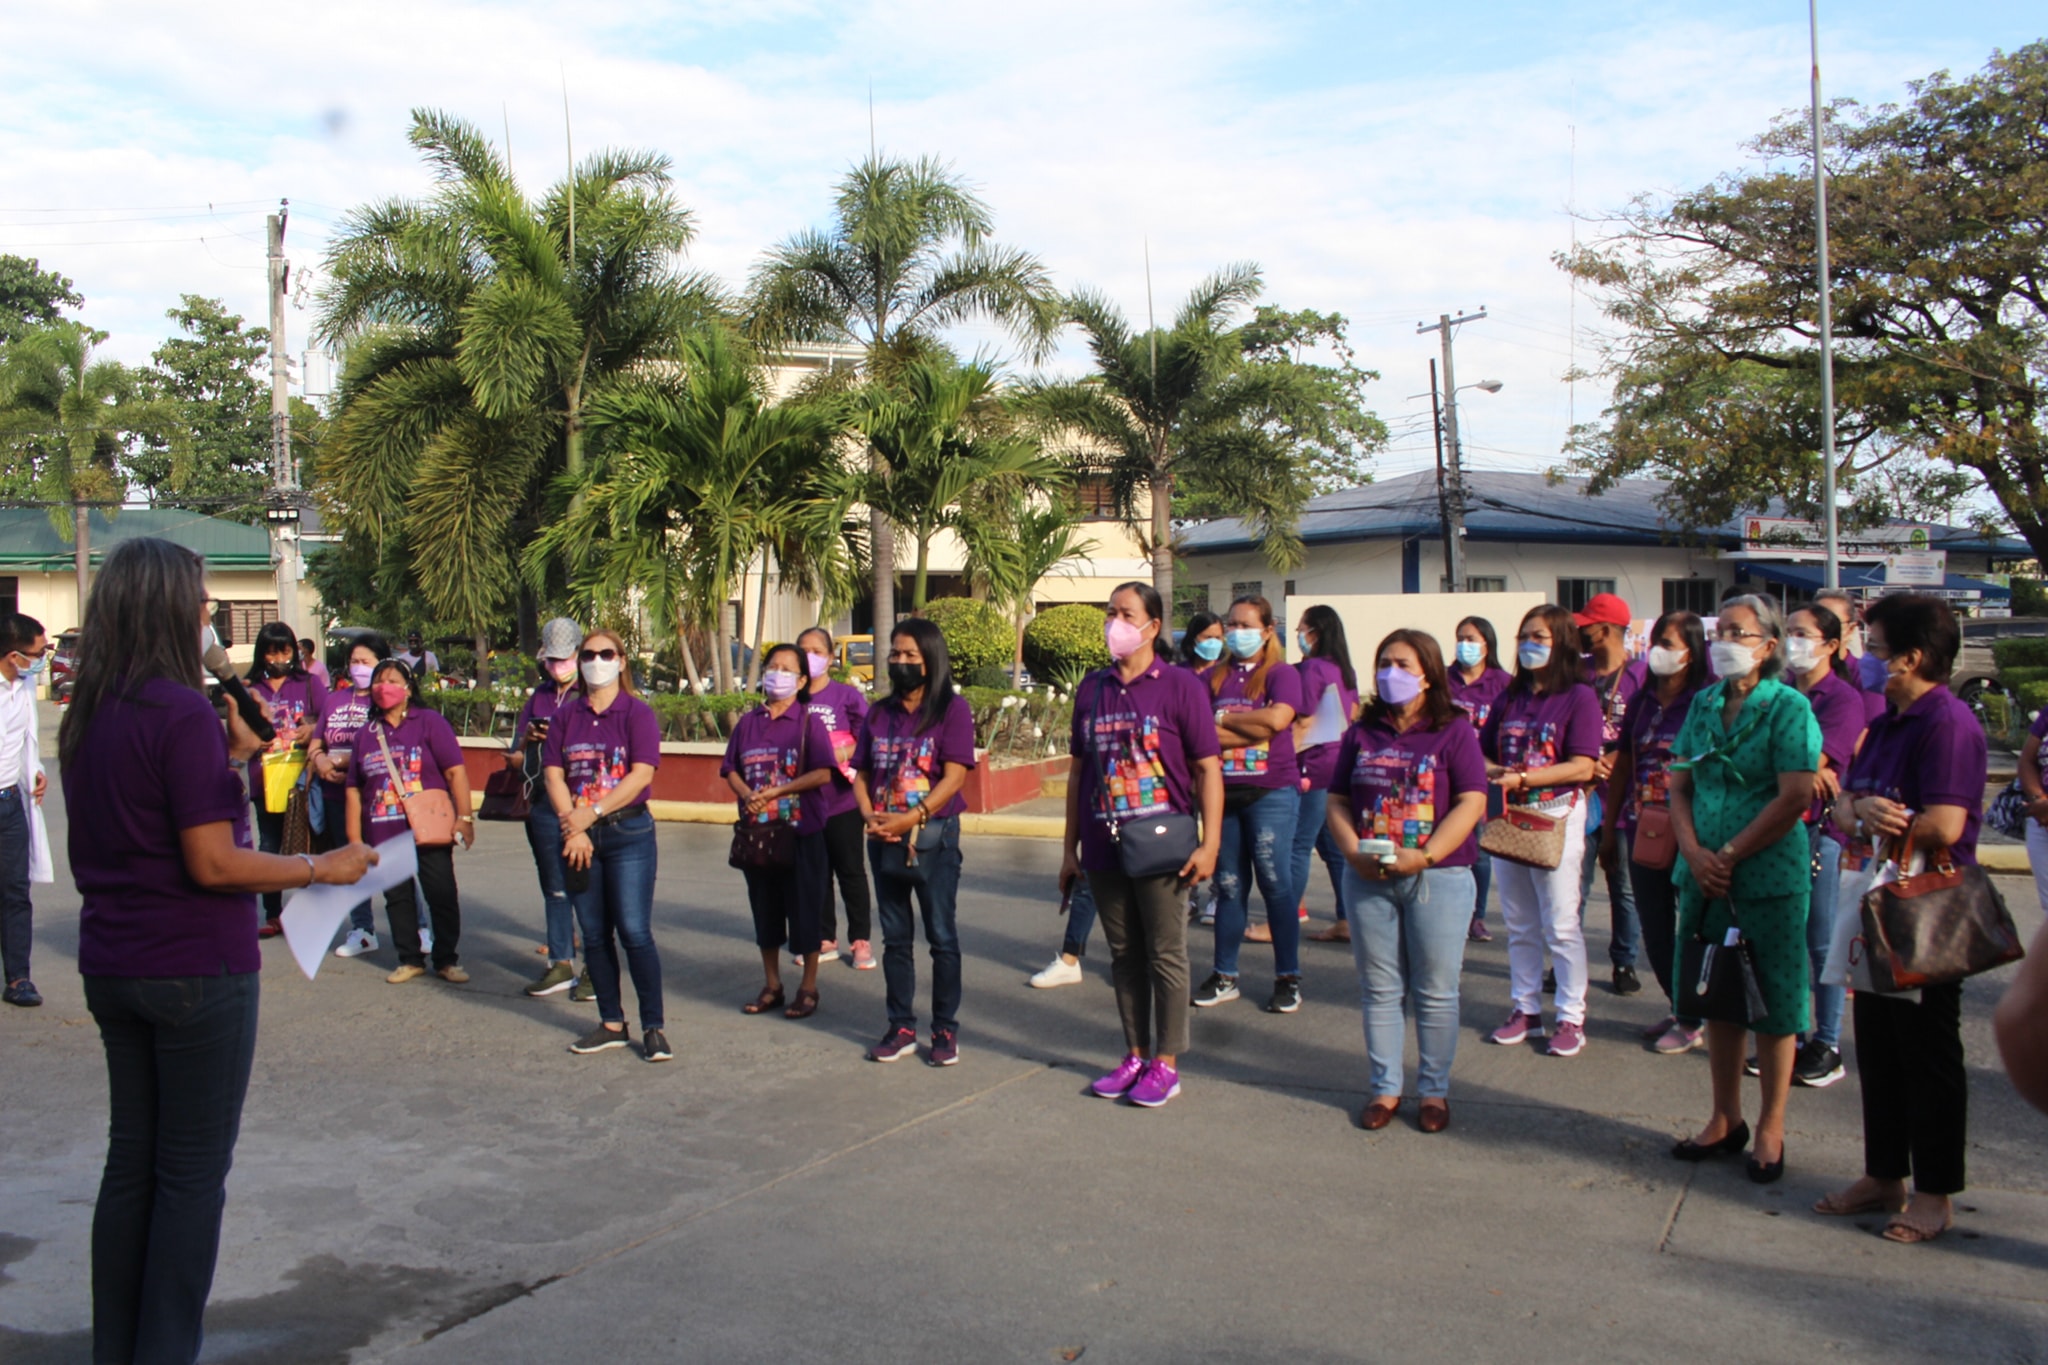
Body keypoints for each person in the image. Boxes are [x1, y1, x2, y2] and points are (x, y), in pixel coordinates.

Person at [60, 537, 375, 1365]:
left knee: (132, 1164)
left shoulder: (92, 711)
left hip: (114, 960)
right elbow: (212, 861)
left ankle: (118, 1347)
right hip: (196, 965)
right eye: (202, 600)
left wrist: (234, 759)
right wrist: (320, 865)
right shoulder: (180, 712)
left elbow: (149, 824)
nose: (210, 615)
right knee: (190, 1177)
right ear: (171, 607)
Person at [1817, 593, 1986, 1243]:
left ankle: (1934, 1191)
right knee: (1880, 1047)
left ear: (1912, 657)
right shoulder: (1887, 721)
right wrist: (1859, 811)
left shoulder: (1946, 723)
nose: (1865, 657)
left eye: (1876, 647)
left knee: (1928, 1054)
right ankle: (1883, 1172)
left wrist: (1890, 817)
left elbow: (1944, 822)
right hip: (1875, 892)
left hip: (1928, 906)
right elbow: (1842, 805)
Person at [1665, 595, 1819, 1185]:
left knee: (1774, 1001)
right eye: (1720, 630)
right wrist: (1695, 852)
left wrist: (1729, 854)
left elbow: (1794, 795)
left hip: (1766, 876)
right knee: (1716, 995)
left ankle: (1771, 1125)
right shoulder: (1702, 703)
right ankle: (1723, 1117)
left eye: (1740, 631)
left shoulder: (1788, 708)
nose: (1726, 640)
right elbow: (1679, 784)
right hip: (1702, 877)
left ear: (1769, 646)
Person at [1060, 583, 1223, 1108]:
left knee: (1165, 953)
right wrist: (1070, 849)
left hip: (1161, 844)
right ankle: (1134, 1052)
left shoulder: (1179, 687)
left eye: (1126, 614)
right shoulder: (1093, 688)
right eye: (1110, 613)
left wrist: (1210, 843)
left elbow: (1207, 769)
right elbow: (1078, 773)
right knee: (1124, 954)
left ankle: (1166, 1064)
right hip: (1105, 845)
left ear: (1153, 626)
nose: (1115, 623)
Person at [1327, 629, 1489, 1133]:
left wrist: (1428, 855)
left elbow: (1472, 801)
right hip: (1369, 876)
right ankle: (1385, 1088)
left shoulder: (1454, 730)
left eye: (1401, 663)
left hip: (1437, 877)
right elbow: (1336, 800)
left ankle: (1434, 1093)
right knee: (1380, 988)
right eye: (1383, 663)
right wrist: (1351, 851)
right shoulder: (1362, 732)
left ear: (1428, 673)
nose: (1389, 673)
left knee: (1437, 990)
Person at [1479, 603, 1602, 1056]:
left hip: (1556, 817)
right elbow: (1482, 751)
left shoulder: (1580, 696)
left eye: (1540, 637)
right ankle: (1525, 1009)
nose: (1528, 645)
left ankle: (1571, 1017)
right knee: (1519, 923)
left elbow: (1583, 764)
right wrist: (1497, 772)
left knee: (1561, 924)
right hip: (1510, 817)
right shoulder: (1511, 696)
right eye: (1524, 636)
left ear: (1563, 643)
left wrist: (1525, 779)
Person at [854, 617, 977, 1066]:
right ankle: (901, 1026)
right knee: (896, 938)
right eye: (895, 654)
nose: (900, 662)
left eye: (910, 655)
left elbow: (955, 775)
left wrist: (911, 817)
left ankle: (944, 1028)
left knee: (941, 936)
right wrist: (870, 815)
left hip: (933, 838)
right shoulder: (878, 712)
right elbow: (862, 772)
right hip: (882, 836)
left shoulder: (952, 710)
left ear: (930, 659)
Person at [545, 629, 667, 1060]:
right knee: (595, 935)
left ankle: (653, 1026)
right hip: (579, 837)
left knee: (634, 932)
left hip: (627, 833)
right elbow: (554, 774)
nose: (597, 660)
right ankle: (612, 1022)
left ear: (621, 660)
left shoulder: (636, 713)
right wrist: (574, 827)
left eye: (606, 653)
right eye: (589, 654)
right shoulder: (566, 716)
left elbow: (641, 774)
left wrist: (591, 814)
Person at [1602, 611, 1710, 1055]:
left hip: (1693, 830)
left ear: (1692, 650)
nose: (1659, 652)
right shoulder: (1644, 701)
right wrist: (1609, 829)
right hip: (1642, 825)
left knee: (1695, 928)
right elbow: (1624, 762)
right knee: (1656, 926)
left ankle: (1693, 1016)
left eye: (1669, 643)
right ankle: (1678, 1004)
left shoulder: (1708, 699)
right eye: (1656, 642)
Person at [1192, 594, 1306, 1014]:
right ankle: (1225, 974)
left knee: (1276, 885)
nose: (1236, 633)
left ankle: (1287, 977)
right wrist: (1247, 729)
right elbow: (1200, 732)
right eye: (1231, 625)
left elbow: (1279, 721)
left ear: (1267, 630)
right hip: (1223, 793)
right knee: (1228, 887)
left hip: (1271, 791)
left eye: (1245, 625)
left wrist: (1222, 723)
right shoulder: (1214, 679)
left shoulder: (1281, 674)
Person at [725, 642, 839, 1019]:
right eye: (773, 666)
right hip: (758, 833)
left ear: (802, 679)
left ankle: (808, 986)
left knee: (806, 910)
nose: (778, 674)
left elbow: (823, 772)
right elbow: (730, 769)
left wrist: (779, 790)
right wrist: (747, 795)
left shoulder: (809, 722)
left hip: (800, 831)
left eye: (787, 669)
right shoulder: (748, 723)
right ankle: (772, 983)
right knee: (765, 911)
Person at [347, 658, 474, 984]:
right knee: (397, 898)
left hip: (429, 826)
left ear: (408, 688)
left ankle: (447, 959)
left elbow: (455, 771)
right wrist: (353, 839)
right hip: (383, 829)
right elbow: (353, 790)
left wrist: (464, 817)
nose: (382, 687)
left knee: (441, 893)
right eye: (377, 681)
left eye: (390, 680)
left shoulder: (429, 722)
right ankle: (409, 958)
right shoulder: (366, 734)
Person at [1782, 602, 1867, 1088]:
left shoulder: (1841, 699)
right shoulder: (1782, 692)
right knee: (1787, 941)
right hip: (1779, 829)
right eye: (1789, 631)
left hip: (1822, 834)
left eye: (1804, 633)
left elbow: (1813, 759)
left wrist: (1803, 766)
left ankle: (1828, 1042)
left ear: (1832, 645)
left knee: (1821, 942)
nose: (1794, 641)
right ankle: (1791, 1035)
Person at [1574, 592, 1646, 996]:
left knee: (1622, 883)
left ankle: (1624, 961)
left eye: (1587, 625)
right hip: (1582, 790)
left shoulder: (1640, 676)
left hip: (1622, 793)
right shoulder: (1577, 673)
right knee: (1574, 884)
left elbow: (1649, 730)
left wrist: (1620, 757)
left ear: (1604, 630)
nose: (1581, 632)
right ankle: (1568, 962)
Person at [516, 618, 591, 999]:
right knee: (555, 887)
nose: (558, 666)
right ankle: (560, 963)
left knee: (591, 886)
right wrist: (530, 739)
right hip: (544, 804)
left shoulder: (593, 692)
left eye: (565, 658)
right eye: (552, 659)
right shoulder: (539, 697)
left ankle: (596, 966)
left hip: (588, 802)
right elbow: (515, 756)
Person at [308, 632, 389, 960]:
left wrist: (346, 759)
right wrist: (322, 760)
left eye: (365, 662)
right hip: (335, 795)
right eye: (354, 662)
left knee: (390, 860)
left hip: (374, 795)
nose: (358, 667)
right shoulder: (335, 700)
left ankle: (417, 926)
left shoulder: (384, 699)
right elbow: (317, 742)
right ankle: (363, 929)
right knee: (351, 861)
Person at [798, 625, 875, 971]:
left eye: (816, 651)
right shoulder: (792, 698)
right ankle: (824, 937)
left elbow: (868, 742)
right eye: (803, 650)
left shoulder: (846, 697)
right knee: (816, 872)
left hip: (843, 801)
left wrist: (842, 750)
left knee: (850, 871)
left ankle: (860, 939)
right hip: (804, 803)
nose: (809, 657)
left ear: (830, 658)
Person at [246, 621, 328, 939]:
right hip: (263, 778)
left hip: (303, 780)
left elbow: (327, 717)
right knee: (269, 846)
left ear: (294, 651)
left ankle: (312, 911)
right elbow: (235, 730)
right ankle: (273, 913)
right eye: (271, 651)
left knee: (306, 845)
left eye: (284, 650)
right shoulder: (250, 687)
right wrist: (255, 741)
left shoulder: (308, 684)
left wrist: (312, 730)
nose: (279, 656)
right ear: (262, 654)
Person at [1292, 604, 1359, 945]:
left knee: (1297, 845)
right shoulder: (1343, 670)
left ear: (1314, 632)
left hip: (1313, 764)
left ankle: (1284, 920)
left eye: (1301, 629)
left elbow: (1301, 719)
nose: (1298, 636)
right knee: (1331, 847)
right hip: (1339, 764)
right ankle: (1347, 918)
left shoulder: (1312, 668)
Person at [1449, 614, 1512, 943]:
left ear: (1487, 644)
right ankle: (1450, 912)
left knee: (1481, 849)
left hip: (1485, 775)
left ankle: (1478, 915)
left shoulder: (1503, 683)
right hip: (1447, 775)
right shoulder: (1444, 680)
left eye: (1471, 639)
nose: (1464, 645)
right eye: (1460, 637)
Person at [1, 612, 51, 1007]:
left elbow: (26, 741)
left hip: (10, 804)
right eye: (36, 653)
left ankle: (19, 978)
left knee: (16, 891)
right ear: (11, 655)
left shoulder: (25, 685)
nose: (40, 660)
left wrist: (35, 771)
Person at [1178, 612, 1226, 927]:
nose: (1213, 643)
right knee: (1185, 835)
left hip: (1216, 769)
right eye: (1207, 637)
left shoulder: (1225, 676)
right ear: (1194, 639)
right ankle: (1189, 895)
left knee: (1216, 833)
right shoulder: (1179, 676)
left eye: (1218, 638)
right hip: (1183, 770)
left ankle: (1219, 894)